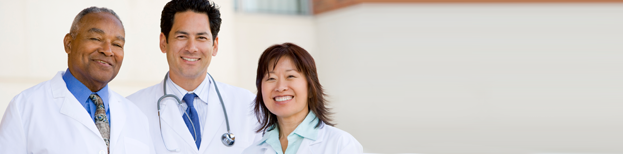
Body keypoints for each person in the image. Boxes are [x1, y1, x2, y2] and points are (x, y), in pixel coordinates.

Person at [0, 7, 155, 154]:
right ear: (69, 43)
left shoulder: (137, 117)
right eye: (96, 38)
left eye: (117, 44)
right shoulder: (25, 108)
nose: (108, 50)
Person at [126, 0, 260, 153]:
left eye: (201, 38)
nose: (191, 48)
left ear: (215, 46)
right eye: (182, 36)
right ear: (163, 42)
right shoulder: (132, 109)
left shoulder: (249, 107)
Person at [243, 43, 363, 154]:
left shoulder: (340, 144)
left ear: (311, 88)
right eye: (271, 78)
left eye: (290, 76)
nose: (280, 87)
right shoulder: (252, 151)